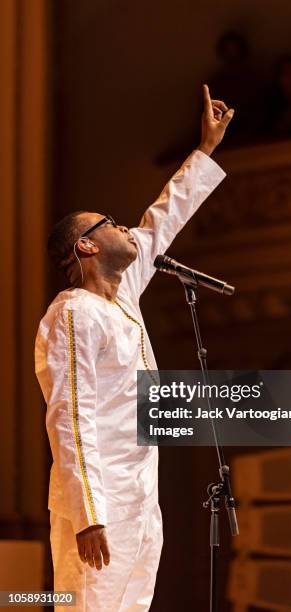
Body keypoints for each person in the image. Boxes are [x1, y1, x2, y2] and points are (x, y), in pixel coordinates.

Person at [34, 84, 234, 611]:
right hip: (101, 505)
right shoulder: (72, 313)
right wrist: (88, 515)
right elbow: (70, 418)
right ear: (87, 245)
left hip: (142, 496)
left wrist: (205, 151)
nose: (124, 226)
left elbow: (161, 220)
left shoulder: (123, 293)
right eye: (108, 223)